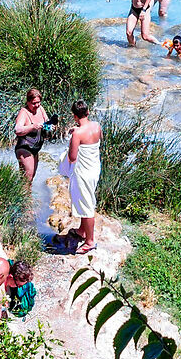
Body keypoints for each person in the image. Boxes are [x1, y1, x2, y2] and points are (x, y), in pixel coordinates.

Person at [64, 101, 104, 253]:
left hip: (83, 172)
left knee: (87, 206)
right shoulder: (97, 126)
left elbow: (72, 157)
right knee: (86, 198)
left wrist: (72, 140)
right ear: (87, 112)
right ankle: (82, 230)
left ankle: (90, 241)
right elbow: (95, 137)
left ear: (74, 116)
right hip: (94, 169)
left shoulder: (77, 134)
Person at [11, 88, 52, 195]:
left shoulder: (40, 109)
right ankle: (26, 207)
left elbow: (47, 122)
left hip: (35, 148)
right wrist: (32, 126)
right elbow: (17, 130)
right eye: (34, 103)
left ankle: (23, 199)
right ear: (28, 102)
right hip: (25, 148)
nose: (37, 105)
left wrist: (51, 126)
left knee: (31, 176)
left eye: (38, 102)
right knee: (27, 179)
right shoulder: (23, 113)